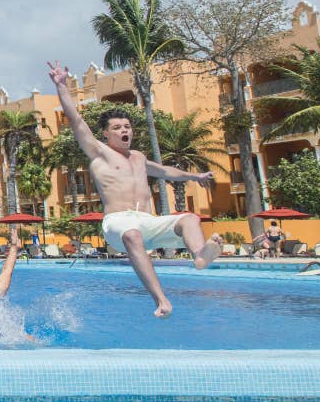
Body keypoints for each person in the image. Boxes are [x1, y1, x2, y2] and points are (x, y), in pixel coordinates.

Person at [48, 61, 220, 317]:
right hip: (118, 223)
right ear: (105, 134)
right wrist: (61, 85)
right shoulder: (99, 152)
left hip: (147, 221)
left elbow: (165, 171)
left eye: (127, 127)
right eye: (117, 128)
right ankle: (161, 300)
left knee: (190, 219)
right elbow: (76, 120)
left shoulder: (138, 157)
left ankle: (200, 255)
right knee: (132, 235)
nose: (124, 130)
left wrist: (195, 176)